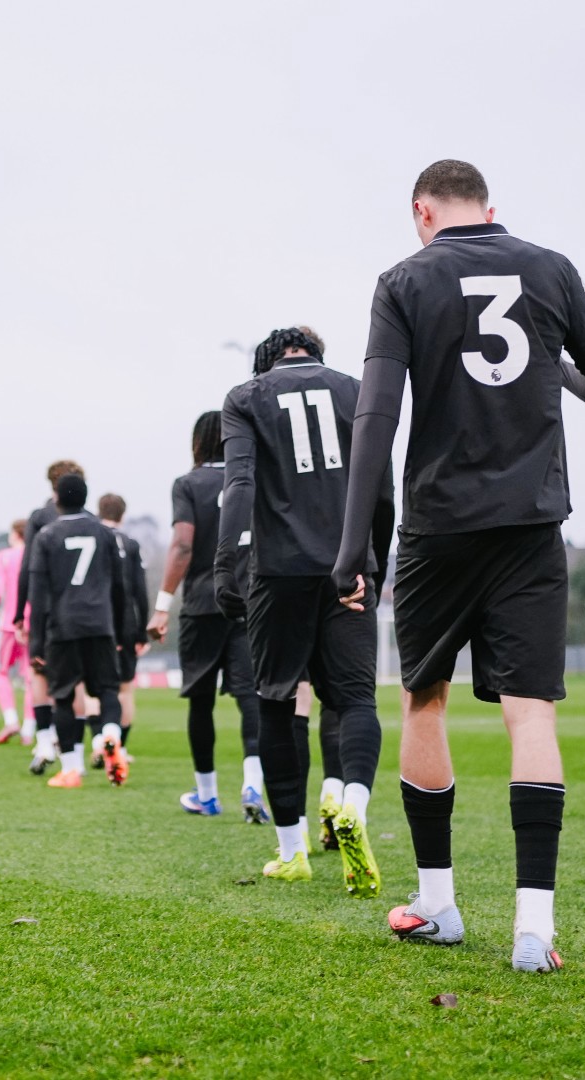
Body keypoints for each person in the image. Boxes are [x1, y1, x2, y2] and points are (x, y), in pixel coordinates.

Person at [332, 160, 585, 973]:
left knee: (424, 704)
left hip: (439, 527)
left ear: (423, 212)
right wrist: (549, 359)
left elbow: (377, 418)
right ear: (491, 210)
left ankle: (438, 904)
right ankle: (535, 928)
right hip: (532, 523)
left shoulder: (403, 280)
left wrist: (354, 546)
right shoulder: (550, 267)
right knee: (531, 714)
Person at [216, 326, 395, 895]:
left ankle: (292, 851)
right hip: (349, 567)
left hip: (277, 572)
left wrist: (226, 564)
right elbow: (384, 489)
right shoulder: (356, 389)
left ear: (264, 364)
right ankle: (354, 806)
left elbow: (239, 484)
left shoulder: (245, 397)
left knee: (276, 700)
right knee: (356, 699)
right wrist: (374, 563)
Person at [148, 413, 268, 821]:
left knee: (200, 701)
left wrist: (163, 604)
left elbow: (182, 545)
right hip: (252, 601)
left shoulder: (188, 484)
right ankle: (253, 783)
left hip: (202, 603)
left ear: (197, 442)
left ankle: (207, 795)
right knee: (251, 697)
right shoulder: (255, 480)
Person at [29, 472, 136, 788]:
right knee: (107, 690)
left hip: (63, 628)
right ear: (86, 498)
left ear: (57, 499)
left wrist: (36, 643)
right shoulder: (105, 535)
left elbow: (38, 594)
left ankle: (72, 769)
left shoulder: (46, 536)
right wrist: (120, 631)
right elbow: (120, 588)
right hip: (100, 624)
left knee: (62, 697)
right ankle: (111, 736)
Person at [12, 461, 83, 772]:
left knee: (39, 672)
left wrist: (18, 612)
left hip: (48, 608)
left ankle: (44, 741)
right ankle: (76, 753)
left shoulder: (40, 518)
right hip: (84, 611)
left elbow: (28, 567)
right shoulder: (89, 521)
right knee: (75, 680)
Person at [96, 494, 148, 752]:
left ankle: (98, 742)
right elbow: (140, 591)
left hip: (97, 621)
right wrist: (141, 633)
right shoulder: (131, 544)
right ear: (122, 514)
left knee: (94, 688)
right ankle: (121, 749)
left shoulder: (94, 540)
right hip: (126, 624)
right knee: (125, 689)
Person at [0, 521, 35, 744]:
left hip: (8, 623)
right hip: (33, 623)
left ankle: (11, 719)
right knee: (32, 677)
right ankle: (29, 729)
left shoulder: (4, 556)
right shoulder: (35, 553)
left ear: (15, 534)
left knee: (0, 671)